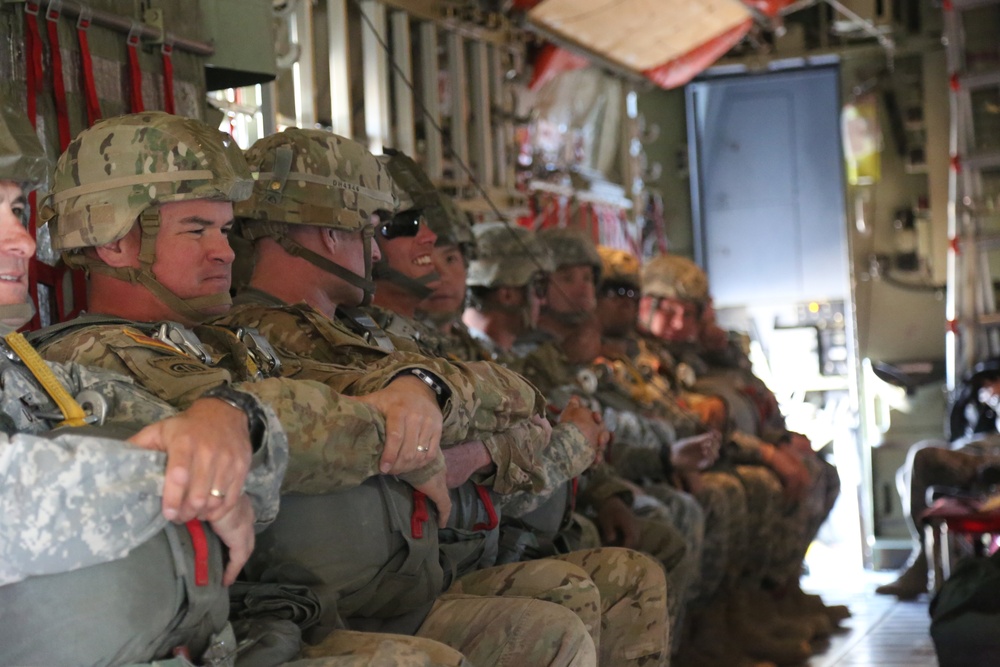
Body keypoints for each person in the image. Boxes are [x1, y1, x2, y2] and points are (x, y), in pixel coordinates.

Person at [33, 112, 537, 667]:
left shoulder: (223, 343)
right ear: (112, 243)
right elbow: (281, 429)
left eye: (225, 231)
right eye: (196, 230)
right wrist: (402, 433)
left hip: (309, 617)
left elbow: (350, 388)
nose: (224, 252)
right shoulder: (94, 357)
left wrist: (418, 387)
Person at [0, 104, 287, 667]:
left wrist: (227, 418)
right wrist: (178, 475)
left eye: (14, 209)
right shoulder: (86, 354)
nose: (25, 242)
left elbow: (264, 468)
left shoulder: (32, 376)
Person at [877, 359, 1000, 600]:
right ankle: (925, 556)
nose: (988, 388)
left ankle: (922, 567)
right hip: (987, 446)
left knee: (923, 457)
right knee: (908, 472)